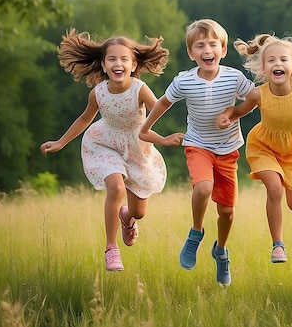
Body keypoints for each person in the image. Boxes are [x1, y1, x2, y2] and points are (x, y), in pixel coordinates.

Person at [40, 28, 177, 271]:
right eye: (112, 59)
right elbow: (84, 119)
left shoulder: (140, 90)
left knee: (139, 212)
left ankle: (127, 218)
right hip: (103, 143)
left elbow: (158, 111)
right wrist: (60, 142)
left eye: (124, 59)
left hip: (136, 148)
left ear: (134, 65)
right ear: (103, 65)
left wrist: (164, 138)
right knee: (115, 187)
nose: (118, 63)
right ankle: (111, 249)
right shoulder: (98, 93)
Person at [139, 19, 254, 287]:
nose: (207, 49)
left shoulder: (234, 78)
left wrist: (234, 112)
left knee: (227, 212)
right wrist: (146, 129)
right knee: (203, 188)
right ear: (191, 54)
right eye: (200, 45)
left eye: (212, 44)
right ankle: (195, 232)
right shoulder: (185, 81)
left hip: (228, 150)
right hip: (198, 144)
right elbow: (163, 103)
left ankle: (221, 251)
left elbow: (255, 98)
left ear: (222, 50)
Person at [216, 34, 292, 263]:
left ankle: (290, 180)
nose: (277, 64)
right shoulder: (257, 94)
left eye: (283, 60)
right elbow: (239, 111)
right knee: (274, 188)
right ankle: (278, 245)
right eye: (271, 61)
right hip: (264, 147)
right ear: (263, 69)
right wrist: (226, 116)